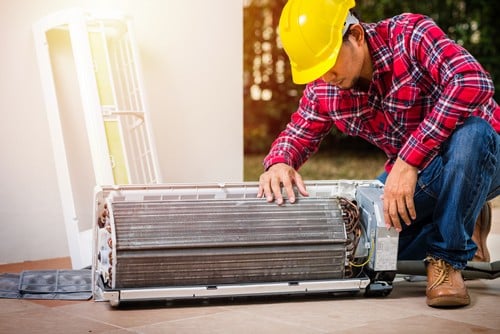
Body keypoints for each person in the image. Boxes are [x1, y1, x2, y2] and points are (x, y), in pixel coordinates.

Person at [257, 0, 500, 308]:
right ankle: (465, 219)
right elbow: (298, 132)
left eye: (329, 62)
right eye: (315, 71)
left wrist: (409, 158)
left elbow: (472, 81)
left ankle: (447, 258)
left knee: (472, 134)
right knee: (373, 248)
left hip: (483, 154)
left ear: (356, 35)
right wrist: (280, 161)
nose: (325, 76)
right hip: (421, 175)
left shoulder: (410, 35)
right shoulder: (325, 88)